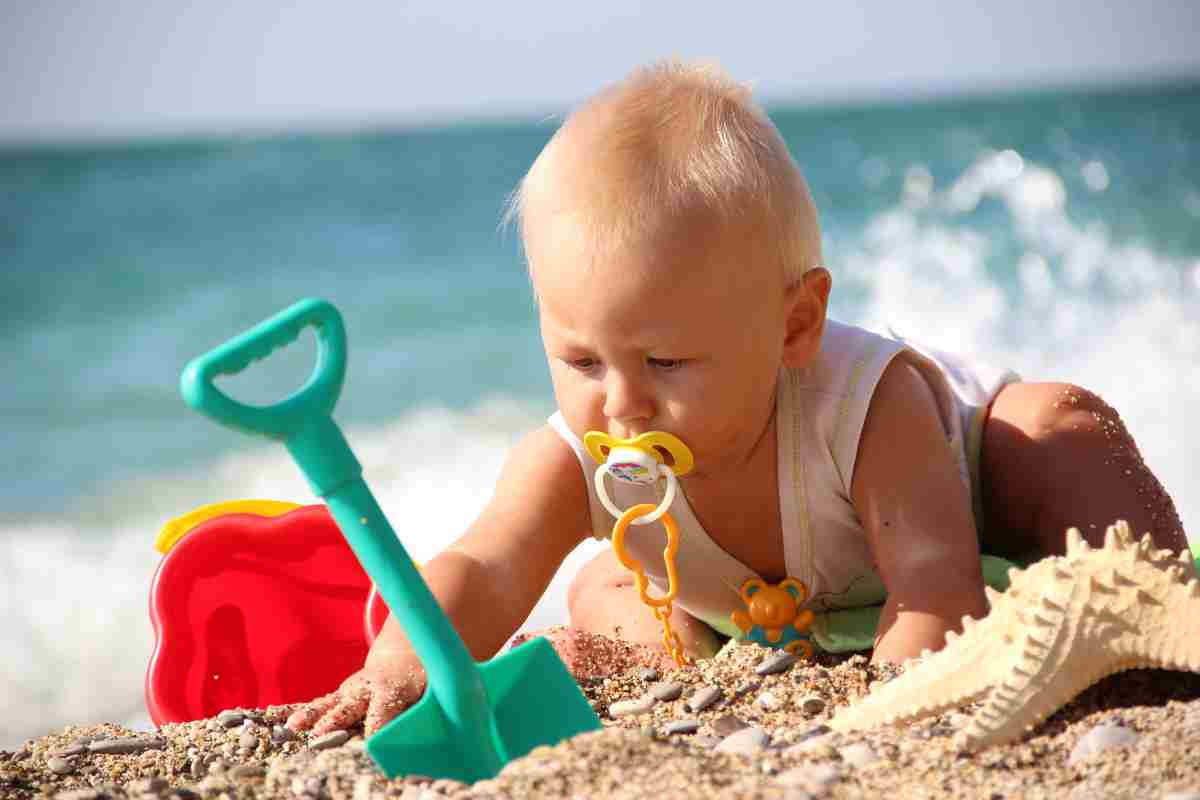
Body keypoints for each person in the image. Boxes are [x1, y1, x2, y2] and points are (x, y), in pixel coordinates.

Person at [286, 61, 1187, 736]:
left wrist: (885, 718)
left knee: (1057, 425)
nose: (622, 404)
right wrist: (402, 659)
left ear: (795, 326)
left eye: (667, 363)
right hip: (776, 615)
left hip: (974, 535)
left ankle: (1168, 611)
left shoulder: (870, 410)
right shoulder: (581, 453)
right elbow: (486, 565)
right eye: (583, 360)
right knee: (609, 592)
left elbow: (933, 592)